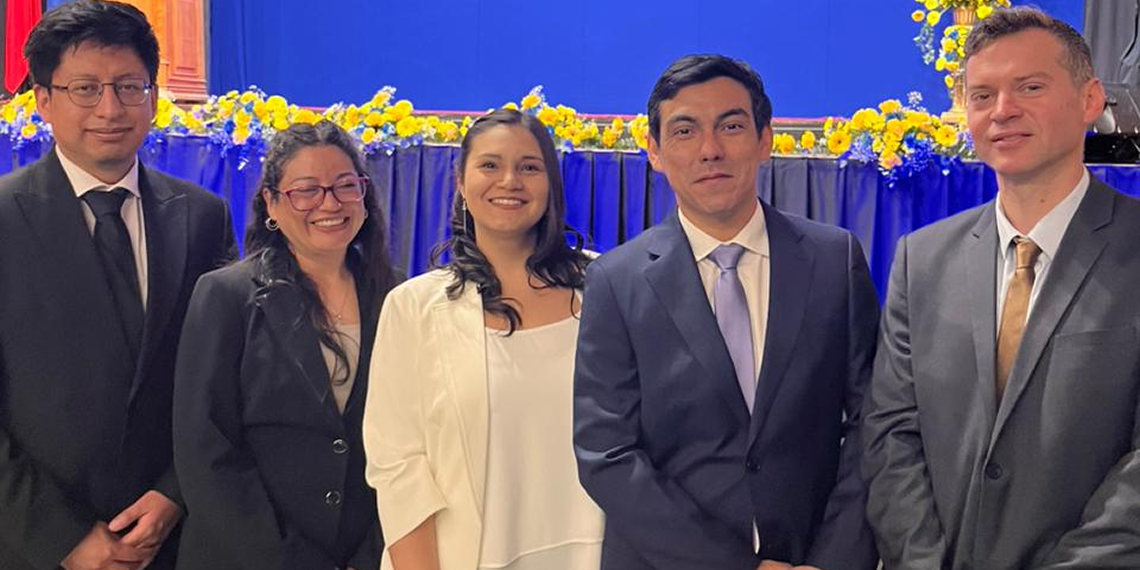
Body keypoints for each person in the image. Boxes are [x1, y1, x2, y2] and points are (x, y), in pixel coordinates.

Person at [573, 54, 879, 570]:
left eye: (731, 126)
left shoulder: (833, 259)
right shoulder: (615, 281)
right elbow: (607, 453)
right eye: (684, 131)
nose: (710, 149)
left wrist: (832, 559)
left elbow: (872, 422)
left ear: (765, 140)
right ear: (654, 152)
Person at [862, 7, 1140, 570]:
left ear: (1090, 100)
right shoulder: (922, 260)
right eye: (982, 95)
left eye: (1030, 87)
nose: (1003, 110)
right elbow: (891, 435)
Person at [0, 2, 236, 570]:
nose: (110, 109)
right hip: (34, 545)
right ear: (43, 100)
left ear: (152, 97)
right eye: (85, 88)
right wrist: (63, 540)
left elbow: (227, 373)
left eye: (129, 87)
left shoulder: (202, 216)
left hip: (176, 540)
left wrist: (175, 492)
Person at [363, 108, 601, 570]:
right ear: (460, 183)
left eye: (529, 167)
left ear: (551, 183)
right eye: (490, 165)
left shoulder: (607, 286)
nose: (509, 181)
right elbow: (398, 466)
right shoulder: (413, 307)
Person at [172, 121, 396, 570]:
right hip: (248, 557)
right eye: (306, 190)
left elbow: (413, 442)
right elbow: (205, 448)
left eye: (345, 186)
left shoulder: (398, 297)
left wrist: (372, 555)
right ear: (272, 203)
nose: (329, 203)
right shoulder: (226, 296)